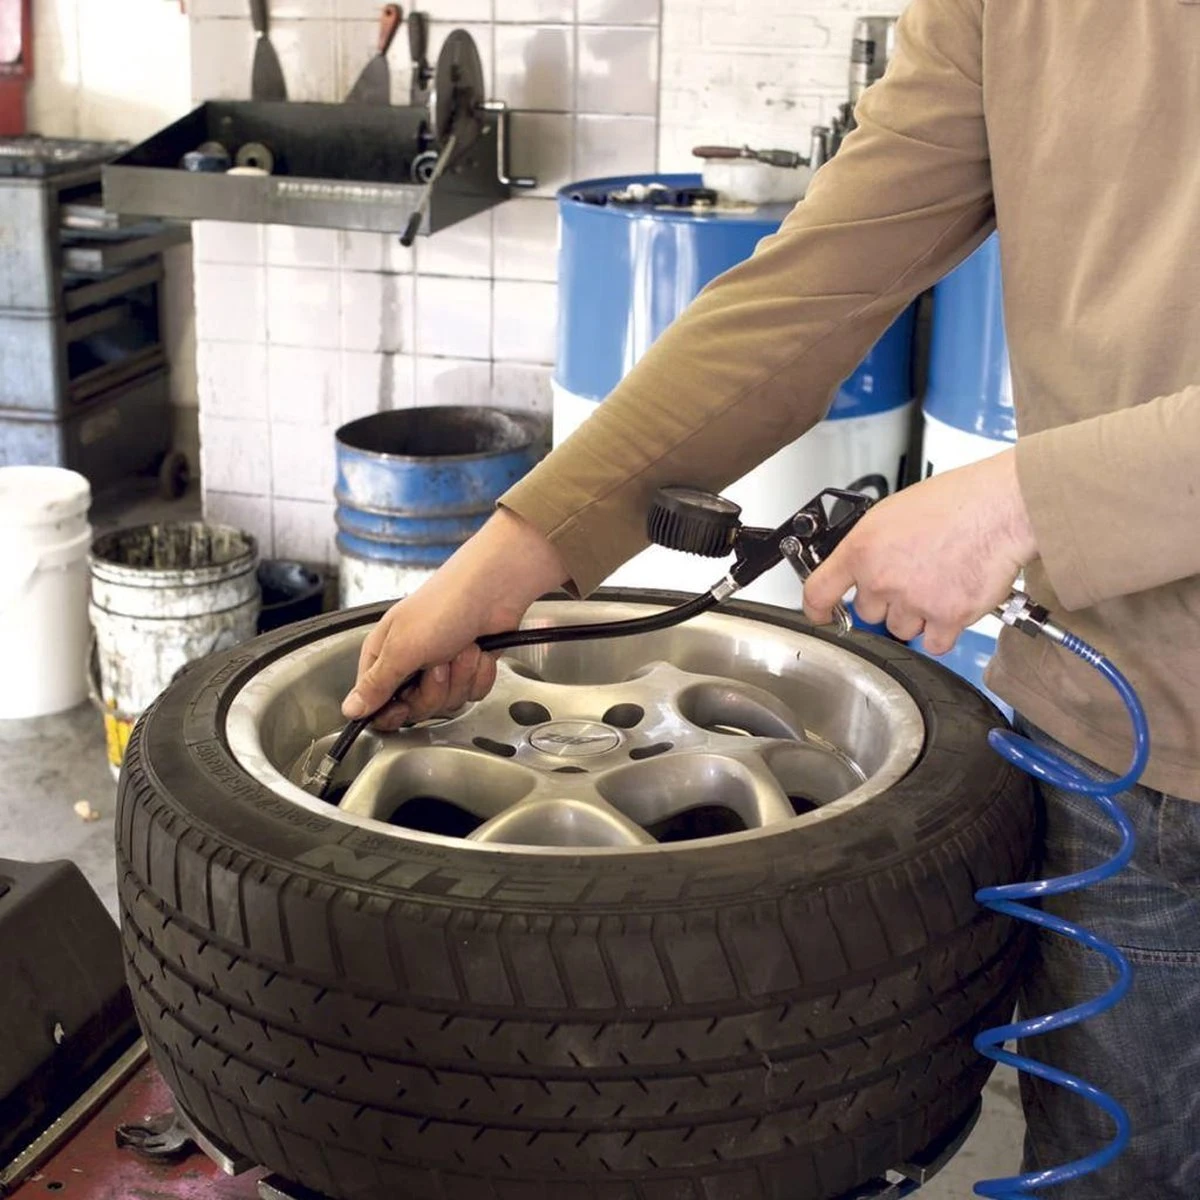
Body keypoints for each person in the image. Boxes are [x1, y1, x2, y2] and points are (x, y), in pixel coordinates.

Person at [340, 3, 1200, 1195]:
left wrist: (1023, 505)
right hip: (1114, 739)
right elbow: (809, 293)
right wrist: (507, 563)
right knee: (1113, 1175)